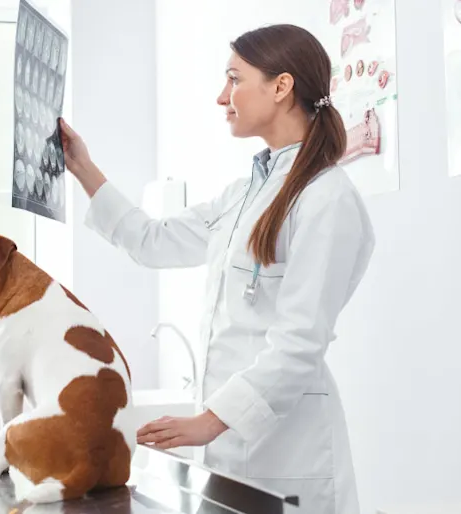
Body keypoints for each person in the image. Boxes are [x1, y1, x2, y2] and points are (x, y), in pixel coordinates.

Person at [59, 23, 375, 514]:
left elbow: (300, 342)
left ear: (281, 86)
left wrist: (211, 420)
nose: (221, 96)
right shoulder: (248, 191)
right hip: (233, 448)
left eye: (234, 79)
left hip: (288, 448)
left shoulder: (326, 199)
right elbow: (153, 241)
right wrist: (83, 168)